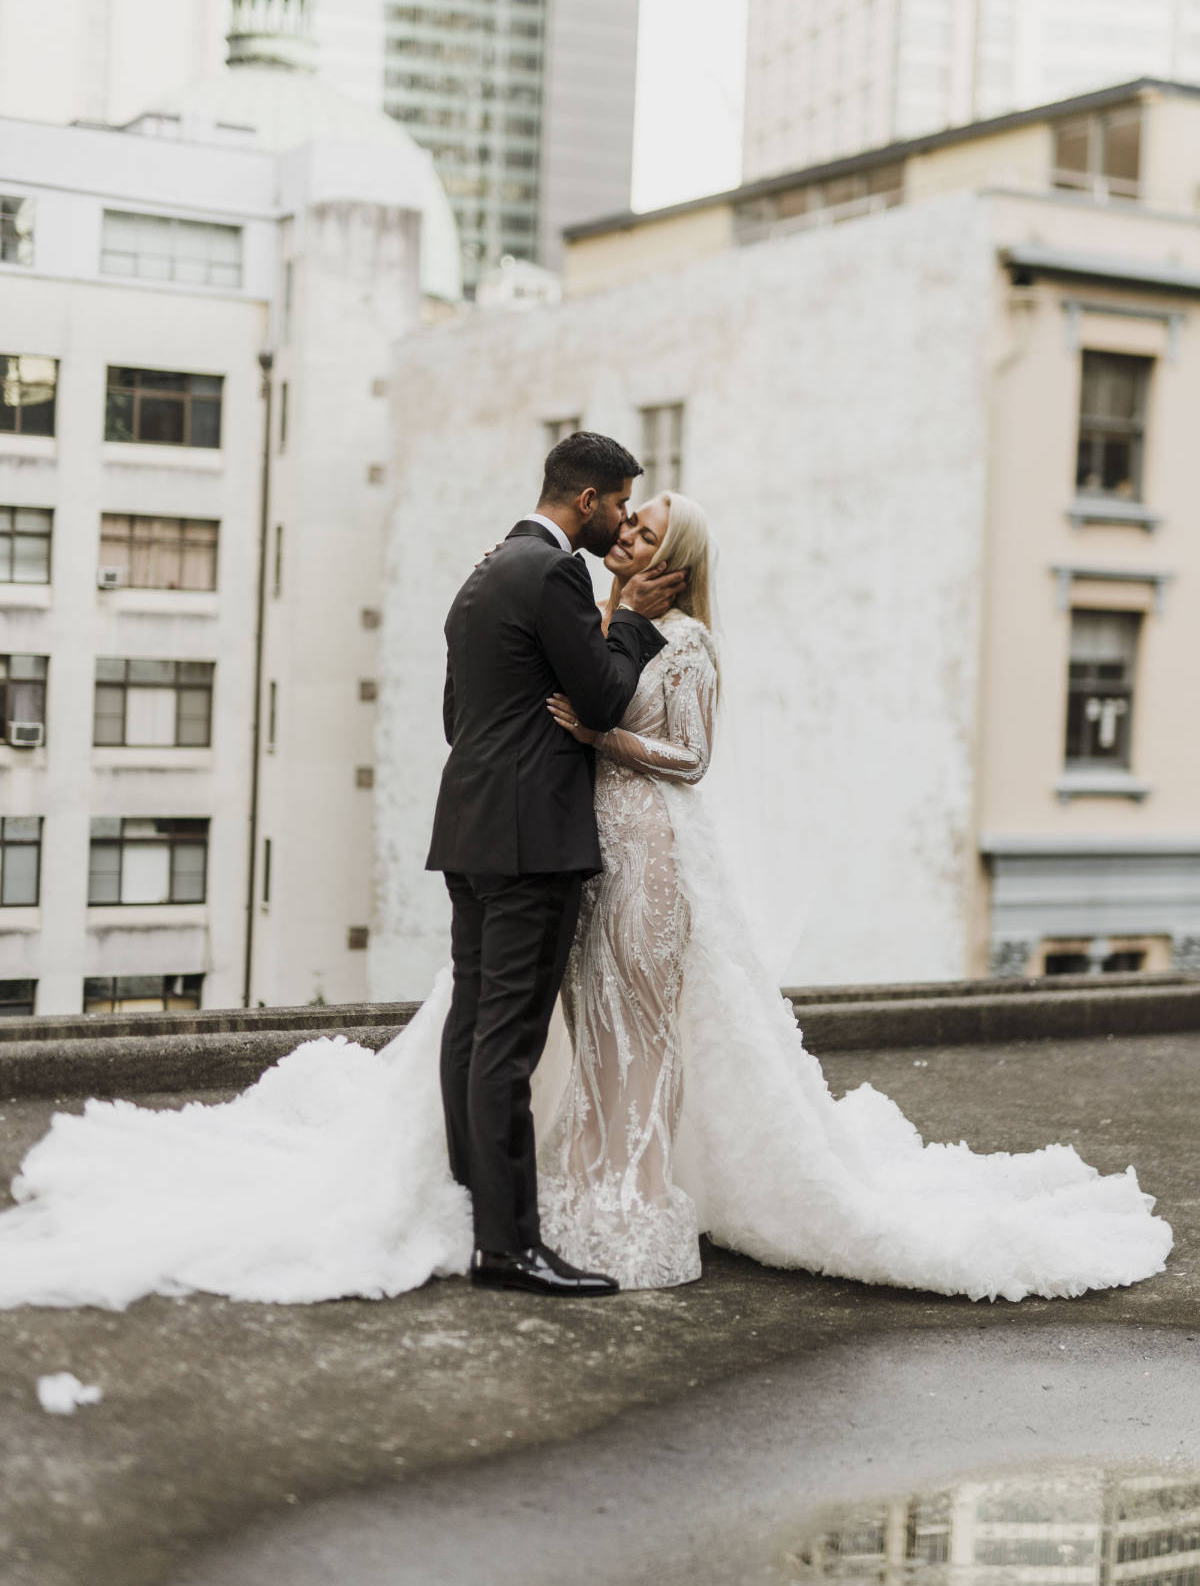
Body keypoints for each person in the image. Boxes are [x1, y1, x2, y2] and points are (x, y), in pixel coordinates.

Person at [0, 480, 1173, 1312]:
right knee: (565, 1031)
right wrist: (597, 696)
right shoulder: (591, 610)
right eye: (630, 519)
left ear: (675, 552)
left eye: (650, 529)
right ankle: (546, 1202)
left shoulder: (686, 639)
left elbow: (696, 756)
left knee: (638, 1040)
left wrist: (610, 731)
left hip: (653, 850)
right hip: (575, 846)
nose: (630, 536)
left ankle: (636, 1211)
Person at [426, 432, 684, 1297]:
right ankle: (508, 1247)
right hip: (531, 838)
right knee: (509, 1040)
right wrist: (637, 622)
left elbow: (458, 715)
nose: (619, 523)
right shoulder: (555, 573)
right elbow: (605, 696)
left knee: (473, 1027)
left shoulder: (485, 571)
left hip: (468, 826)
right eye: (618, 505)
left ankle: (476, 1209)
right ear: (588, 501)